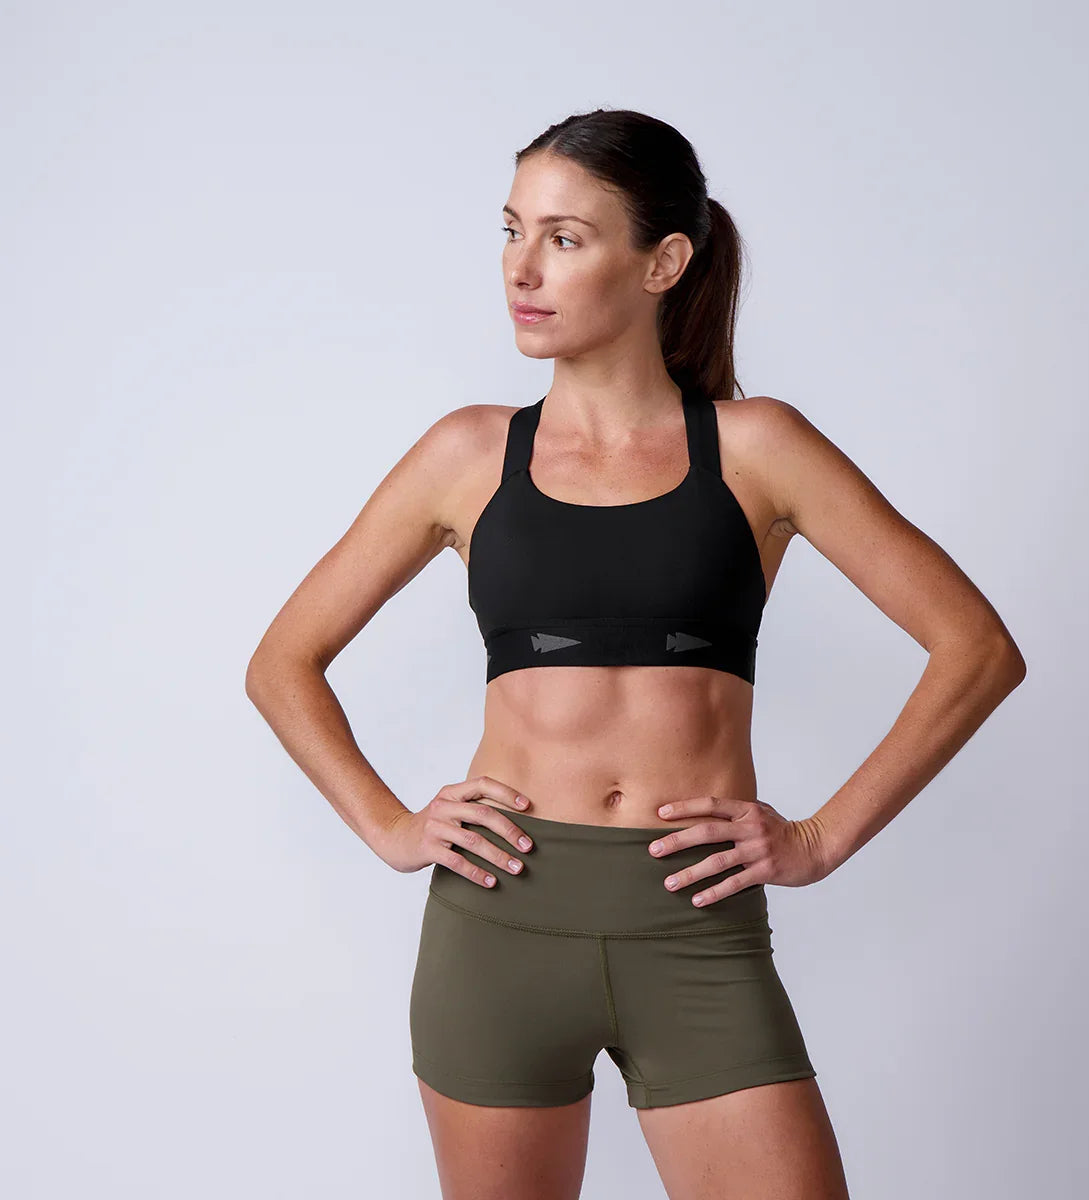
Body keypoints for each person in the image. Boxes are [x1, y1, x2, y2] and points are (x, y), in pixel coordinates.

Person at [245, 107, 1026, 1200]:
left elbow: (975, 648)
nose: (522, 266)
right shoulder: (466, 455)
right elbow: (282, 662)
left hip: (693, 929)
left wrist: (820, 836)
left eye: (565, 238)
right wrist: (389, 825)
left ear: (664, 261)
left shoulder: (761, 449)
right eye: (512, 230)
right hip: (500, 921)